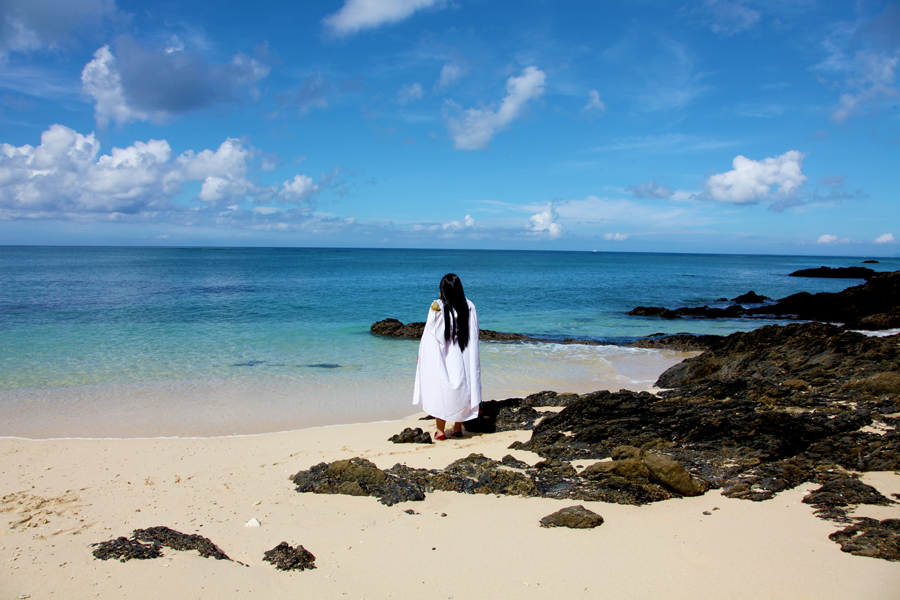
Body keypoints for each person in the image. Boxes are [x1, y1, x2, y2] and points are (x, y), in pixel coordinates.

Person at [413, 273, 481, 441]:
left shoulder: (437, 306)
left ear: (443, 290)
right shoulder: (469, 305)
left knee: (441, 389)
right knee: (463, 387)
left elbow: (430, 334)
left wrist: (421, 355)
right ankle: (457, 428)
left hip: (444, 354)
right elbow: (474, 332)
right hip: (463, 352)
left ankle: (440, 431)